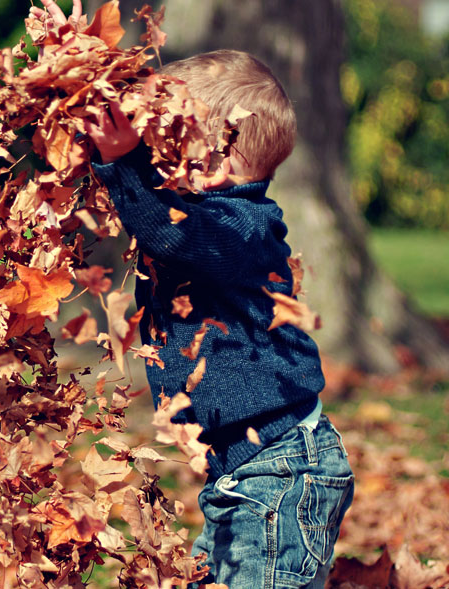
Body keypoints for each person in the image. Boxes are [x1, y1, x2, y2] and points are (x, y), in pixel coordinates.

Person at [84, 50, 355, 587]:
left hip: (279, 476)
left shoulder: (240, 228)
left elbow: (175, 235)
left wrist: (122, 163)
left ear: (216, 162)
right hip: (243, 476)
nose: (154, 157)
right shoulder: (212, 220)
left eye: (167, 143)